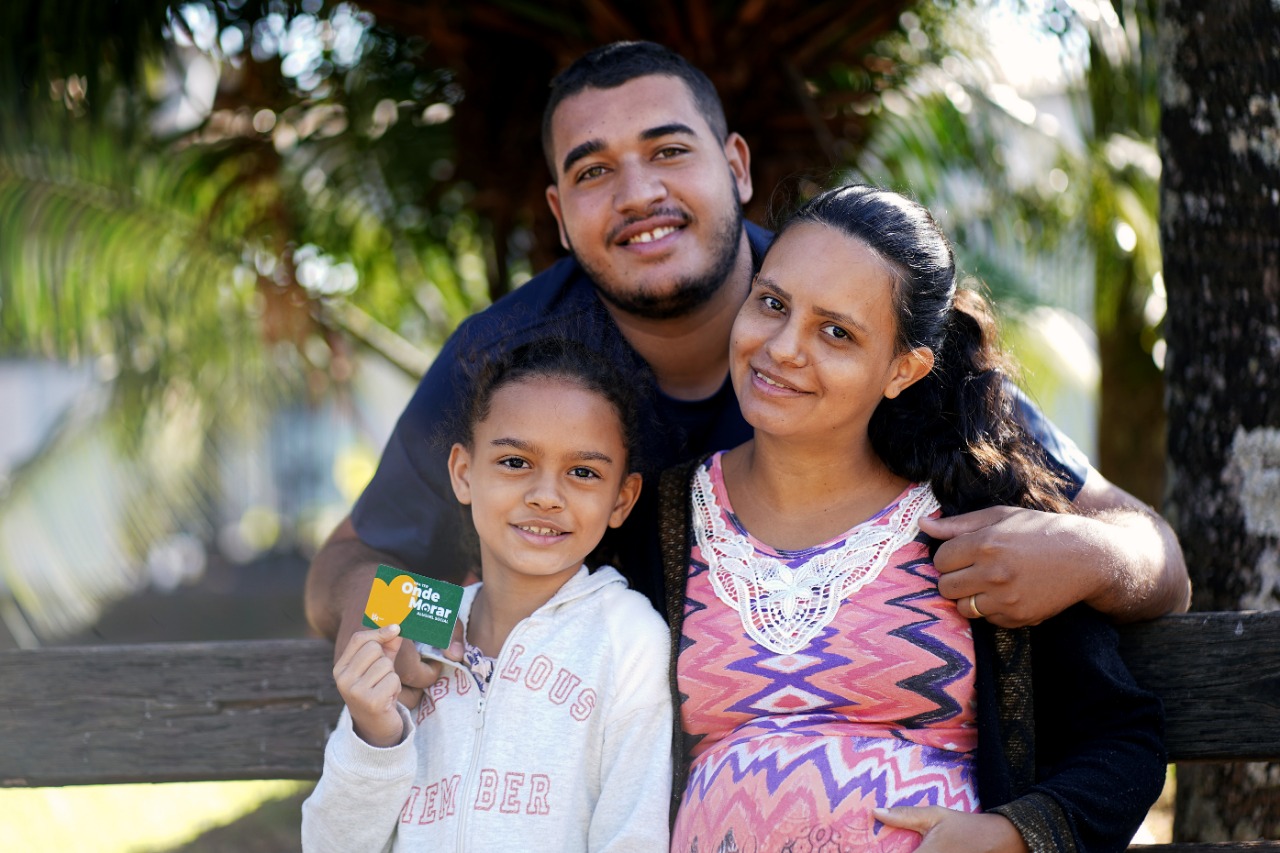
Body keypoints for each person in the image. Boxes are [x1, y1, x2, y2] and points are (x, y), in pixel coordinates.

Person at [303, 40, 1190, 701]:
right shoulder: (502, 359)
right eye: (594, 171)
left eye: (669, 150)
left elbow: (1150, 552)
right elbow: (350, 564)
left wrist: (1088, 553)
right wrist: (432, 618)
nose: (639, 192)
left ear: (735, 166)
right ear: (561, 214)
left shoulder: (855, 302)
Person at [659, 185, 1165, 853]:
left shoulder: (976, 524)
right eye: (773, 304)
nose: (783, 347)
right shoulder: (662, 517)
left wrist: (1012, 834)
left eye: (836, 332)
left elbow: (1123, 737)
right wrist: (462, 619)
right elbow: (484, 578)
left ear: (905, 368)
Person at [300, 338, 672, 852]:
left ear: (621, 499)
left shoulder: (628, 639)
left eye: (583, 472)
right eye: (515, 462)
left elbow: (633, 836)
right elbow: (330, 845)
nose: (546, 495)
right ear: (462, 473)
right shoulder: (414, 622)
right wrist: (374, 732)